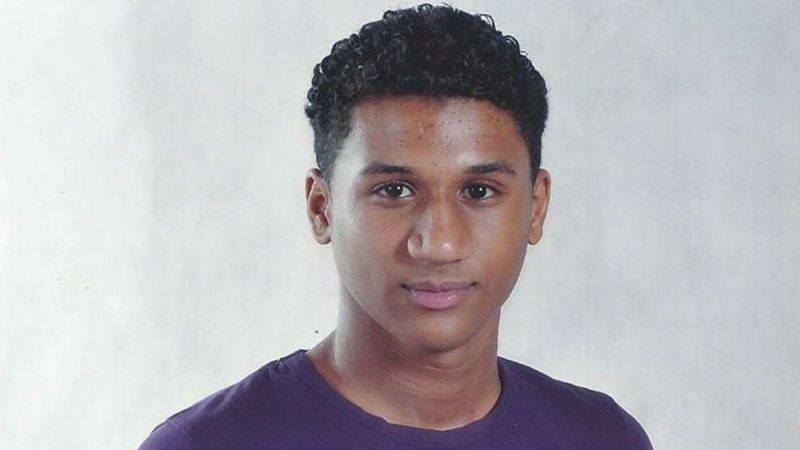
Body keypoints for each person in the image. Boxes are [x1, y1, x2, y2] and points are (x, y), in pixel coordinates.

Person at [140, 4, 652, 449]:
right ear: (321, 208)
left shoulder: (603, 439)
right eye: (394, 190)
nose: (439, 243)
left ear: (536, 207)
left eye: (479, 192)